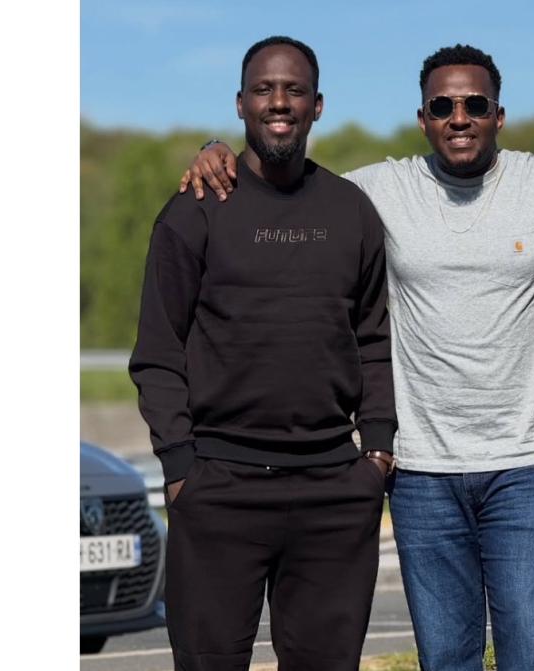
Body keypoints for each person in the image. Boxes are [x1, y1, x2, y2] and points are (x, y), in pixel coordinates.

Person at [178, 45, 534, 671]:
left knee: (532, 656)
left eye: (474, 104)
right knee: (445, 659)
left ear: (499, 115)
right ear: (424, 117)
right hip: (420, 470)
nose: (459, 117)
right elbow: (284, 176)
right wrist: (217, 150)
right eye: (443, 105)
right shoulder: (374, 191)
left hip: (526, 463)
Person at [128, 36, 396, 671]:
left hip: (334, 489)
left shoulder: (352, 211)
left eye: (294, 90)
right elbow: (158, 351)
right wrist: (181, 467)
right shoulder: (194, 211)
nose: (280, 102)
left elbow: (376, 339)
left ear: (318, 105)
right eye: (264, 90)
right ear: (241, 104)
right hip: (218, 487)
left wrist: (376, 454)